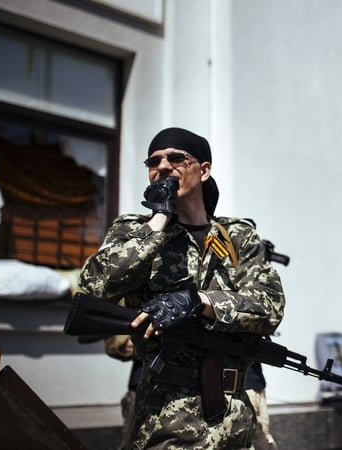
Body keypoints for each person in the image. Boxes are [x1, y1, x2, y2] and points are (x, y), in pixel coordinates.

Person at [78, 127, 285, 449]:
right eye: (154, 161)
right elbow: (94, 286)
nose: (163, 167)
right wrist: (158, 220)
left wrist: (198, 300)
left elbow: (269, 307)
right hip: (167, 412)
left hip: (235, 412)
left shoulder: (238, 236)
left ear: (203, 170)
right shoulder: (132, 231)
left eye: (176, 158)